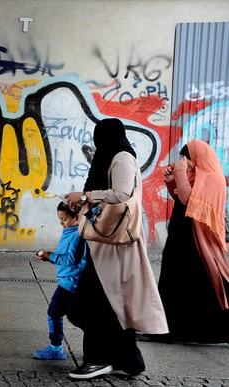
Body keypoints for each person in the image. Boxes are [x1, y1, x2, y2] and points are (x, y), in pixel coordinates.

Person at [64, 118, 168, 379]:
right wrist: (82, 202)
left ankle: (98, 359)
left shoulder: (121, 157)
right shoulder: (108, 156)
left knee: (95, 302)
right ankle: (127, 361)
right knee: (109, 302)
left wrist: (86, 196)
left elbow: (121, 193)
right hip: (103, 241)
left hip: (116, 244)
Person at [142, 140, 229, 343]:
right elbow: (183, 199)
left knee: (194, 285)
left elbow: (188, 200)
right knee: (176, 283)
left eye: (187, 158)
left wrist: (180, 175)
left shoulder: (212, 178)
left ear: (198, 157)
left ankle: (190, 330)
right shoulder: (196, 175)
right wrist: (172, 181)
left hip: (196, 243)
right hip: (182, 240)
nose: (184, 162)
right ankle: (168, 329)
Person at [33, 202, 87, 361]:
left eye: (64, 219)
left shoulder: (76, 235)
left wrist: (51, 256)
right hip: (69, 281)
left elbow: (71, 259)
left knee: (54, 313)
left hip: (70, 283)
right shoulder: (70, 232)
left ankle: (56, 349)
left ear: (77, 217)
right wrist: (48, 258)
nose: (61, 222)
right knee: (75, 317)